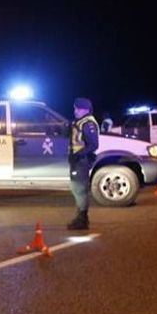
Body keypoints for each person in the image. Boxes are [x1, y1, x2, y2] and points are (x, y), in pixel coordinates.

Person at [68, 97, 99, 230]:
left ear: (85, 109)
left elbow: (93, 145)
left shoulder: (88, 123)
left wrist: (78, 155)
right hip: (78, 159)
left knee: (79, 189)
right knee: (77, 188)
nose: (75, 110)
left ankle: (82, 219)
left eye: (77, 108)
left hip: (81, 160)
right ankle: (81, 217)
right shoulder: (80, 122)